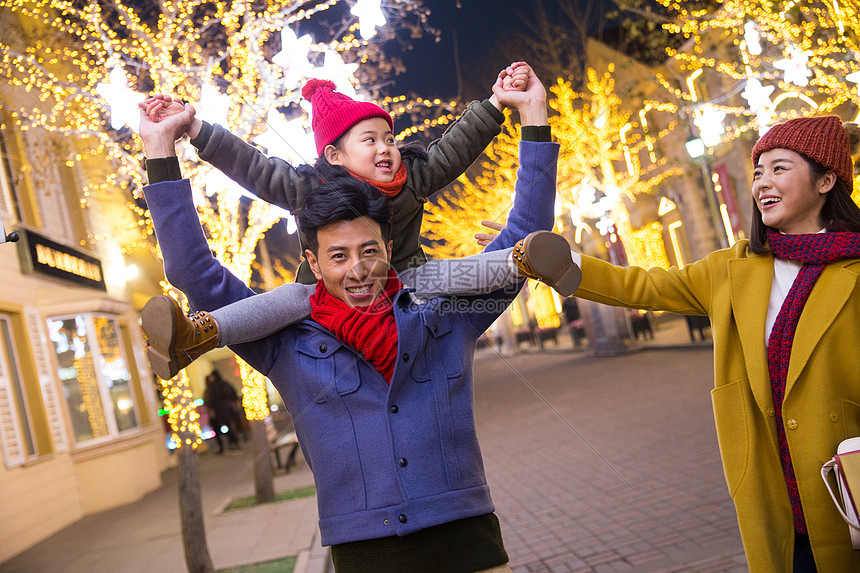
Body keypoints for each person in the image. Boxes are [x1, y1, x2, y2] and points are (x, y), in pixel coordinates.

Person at [138, 68, 570, 572]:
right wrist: (161, 151)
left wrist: (532, 113)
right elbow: (198, 274)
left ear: (390, 248)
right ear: (314, 264)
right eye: (338, 257)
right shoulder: (286, 339)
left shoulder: (444, 311)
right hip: (365, 552)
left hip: (468, 538)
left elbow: (527, 242)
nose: (359, 269)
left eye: (369, 251)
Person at [483, 115, 860, 572]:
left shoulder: (853, 271)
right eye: (758, 171)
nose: (762, 183)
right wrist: (546, 256)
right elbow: (642, 286)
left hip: (847, 490)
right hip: (775, 494)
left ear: (826, 180)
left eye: (779, 169)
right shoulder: (733, 269)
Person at [137, 64, 533, 379]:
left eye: (389, 139)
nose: (386, 149)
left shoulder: (413, 177)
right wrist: (195, 130)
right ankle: (198, 335)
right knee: (288, 302)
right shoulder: (307, 188)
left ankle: (524, 258)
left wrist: (496, 104)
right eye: (370, 140)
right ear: (334, 155)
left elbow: (454, 148)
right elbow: (254, 167)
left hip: (407, 283)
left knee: (447, 275)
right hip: (326, 294)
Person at [203, 370, 242, 454]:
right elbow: (233, 394)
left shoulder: (213, 386)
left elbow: (211, 399)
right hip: (227, 409)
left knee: (218, 428)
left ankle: (224, 446)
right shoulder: (225, 384)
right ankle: (233, 442)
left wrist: (211, 409)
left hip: (218, 410)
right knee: (228, 426)